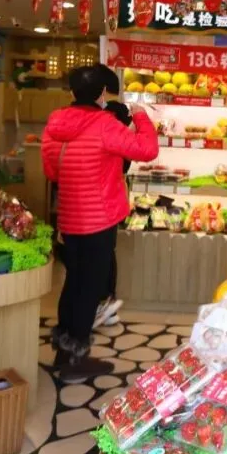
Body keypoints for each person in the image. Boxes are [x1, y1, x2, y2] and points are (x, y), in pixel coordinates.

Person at [42, 65, 159, 381]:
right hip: (100, 219)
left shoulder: (55, 124)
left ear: (72, 92)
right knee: (90, 289)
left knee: (73, 283)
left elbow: (51, 171)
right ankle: (75, 361)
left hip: (69, 217)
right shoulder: (104, 124)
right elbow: (147, 150)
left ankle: (63, 351)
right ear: (103, 93)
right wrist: (141, 117)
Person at [94, 64, 131, 328]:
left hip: (99, 197)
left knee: (97, 255)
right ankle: (105, 304)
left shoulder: (108, 120)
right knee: (105, 251)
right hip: (111, 196)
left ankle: (102, 303)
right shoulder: (120, 119)